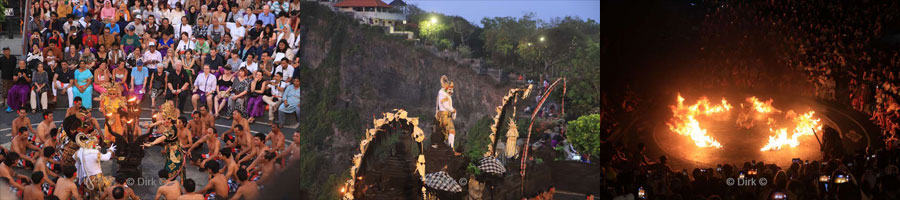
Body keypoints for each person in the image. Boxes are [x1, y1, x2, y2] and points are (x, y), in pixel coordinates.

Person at [435, 75, 457, 149]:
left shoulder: (445, 93)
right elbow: (445, 105)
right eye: (450, 89)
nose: (451, 91)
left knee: (450, 132)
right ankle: (450, 148)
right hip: (444, 115)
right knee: (450, 131)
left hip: (447, 115)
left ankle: (449, 147)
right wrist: (453, 110)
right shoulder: (442, 93)